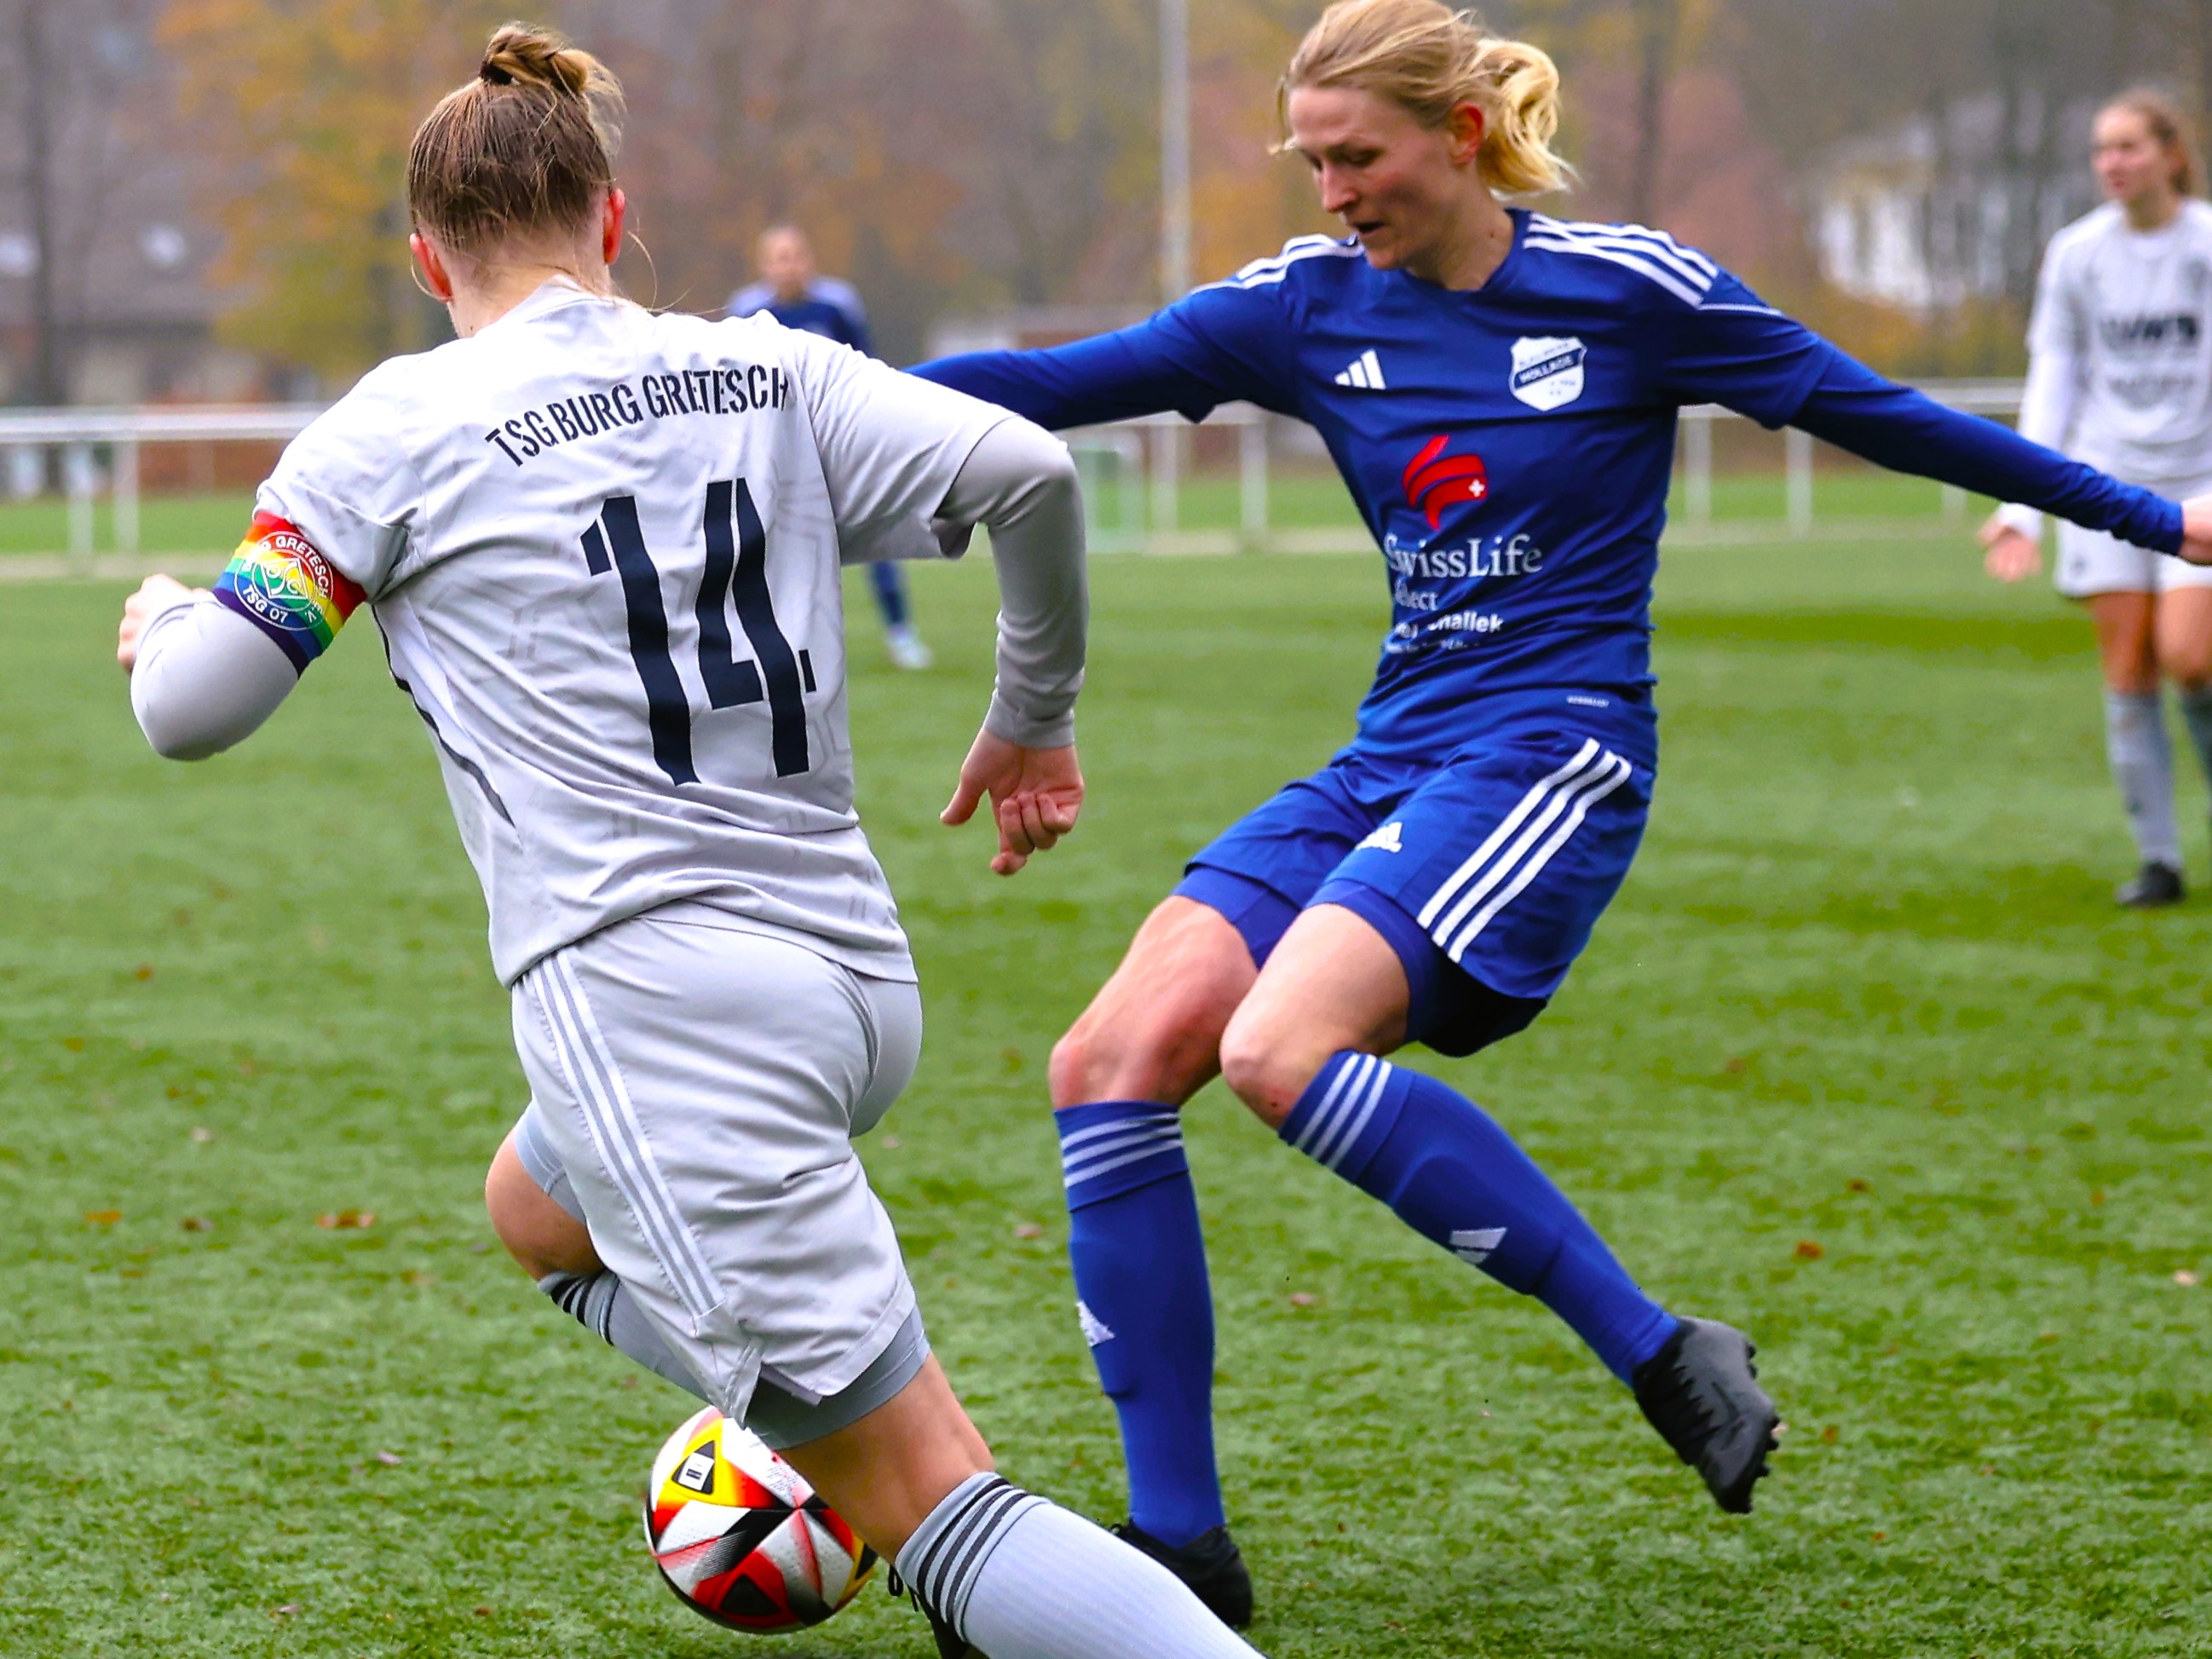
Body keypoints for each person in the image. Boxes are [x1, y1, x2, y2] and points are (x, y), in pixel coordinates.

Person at [912, 0, 2212, 1626]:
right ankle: (1185, 1547)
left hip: (1552, 752)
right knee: (1103, 1065)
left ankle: (1658, 1350)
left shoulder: (1630, 291)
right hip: (1392, 752)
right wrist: (785, 398)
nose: (1332, 192)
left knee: (1275, 1051)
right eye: (1310, 162)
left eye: (1358, 157)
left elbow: (1879, 411)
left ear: (1461, 135)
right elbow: (1038, 383)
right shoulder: (1301, 306)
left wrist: (2161, 518)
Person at [113, 26, 1262, 1659]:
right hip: (851, 985)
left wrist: (164, 619)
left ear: (426, 257)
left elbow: (193, 708)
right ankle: (823, 1420)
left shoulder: (397, 424)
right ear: (612, 215)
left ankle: (905, 1494)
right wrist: (1034, 713)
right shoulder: (764, 365)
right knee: (540, 1206)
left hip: (661, 1009)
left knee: (932, 1498)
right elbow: (1024, 472)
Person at [1983, 89, 2212, 908]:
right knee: (2128, 670)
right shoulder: (2077, 254)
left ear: (2171, 155)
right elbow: (2056, 377)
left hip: (2200, 484)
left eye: (2129, 146)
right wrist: (2021, 506)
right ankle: (2159, 861)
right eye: (2101, 149)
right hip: (2107, 486)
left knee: (2192, 657)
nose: (2112, 162)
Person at [732, 225, 935, 671]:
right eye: (779, 257)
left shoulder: (838, 305)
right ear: (764, 266)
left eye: (795, 255)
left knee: (878, 535)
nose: (789, 266)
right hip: (781, 449)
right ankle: (776, 645)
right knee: (772, 548)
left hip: (840, 443)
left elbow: (868, 368)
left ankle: (901, 634)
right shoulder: (746, 312)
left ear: (810, 260)